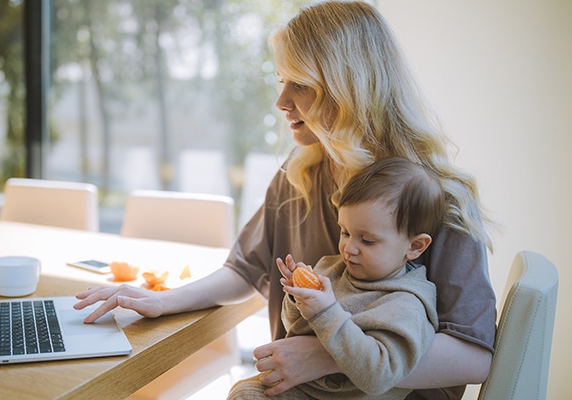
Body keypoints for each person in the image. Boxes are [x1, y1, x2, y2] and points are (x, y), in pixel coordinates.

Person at [74, 2, 497, 399]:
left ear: (349, 88)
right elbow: (247, 269)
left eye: (301, 85)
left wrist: (326, 356)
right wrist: (164, 300)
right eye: (282, 82)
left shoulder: (437, 196)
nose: (281, 102)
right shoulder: (300, 172)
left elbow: (474, 355)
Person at [228, 156, 443, 400]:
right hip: (307, 388)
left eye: (367, 240)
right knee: (244, 391)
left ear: (415, 246)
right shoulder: (332, 269)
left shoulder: (406, 305)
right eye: (345, 232)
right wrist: (298, 298)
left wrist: (327, 312)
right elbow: (296, 330)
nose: (349, 248)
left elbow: (378, 376)